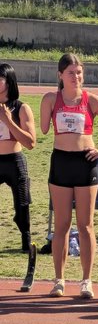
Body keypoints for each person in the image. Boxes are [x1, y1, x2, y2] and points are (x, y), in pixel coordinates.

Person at [40, 53, 98, 299]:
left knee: (85, 225)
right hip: (61, 163)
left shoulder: (92, 100)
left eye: (79, 73)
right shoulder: (51, 98)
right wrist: (47, 105)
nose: (76, 77)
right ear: (60, 76)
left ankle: (86, 280)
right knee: (62, 225)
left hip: (85, 163)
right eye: (70, 73)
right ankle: (59, 280)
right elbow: (44, 129)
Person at [0, 61, 36, 253]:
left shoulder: (21, 108)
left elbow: (30, 143)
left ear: (9, 82)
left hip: (14, 160)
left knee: (22, 204)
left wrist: (8, 120)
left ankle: (26, 241)